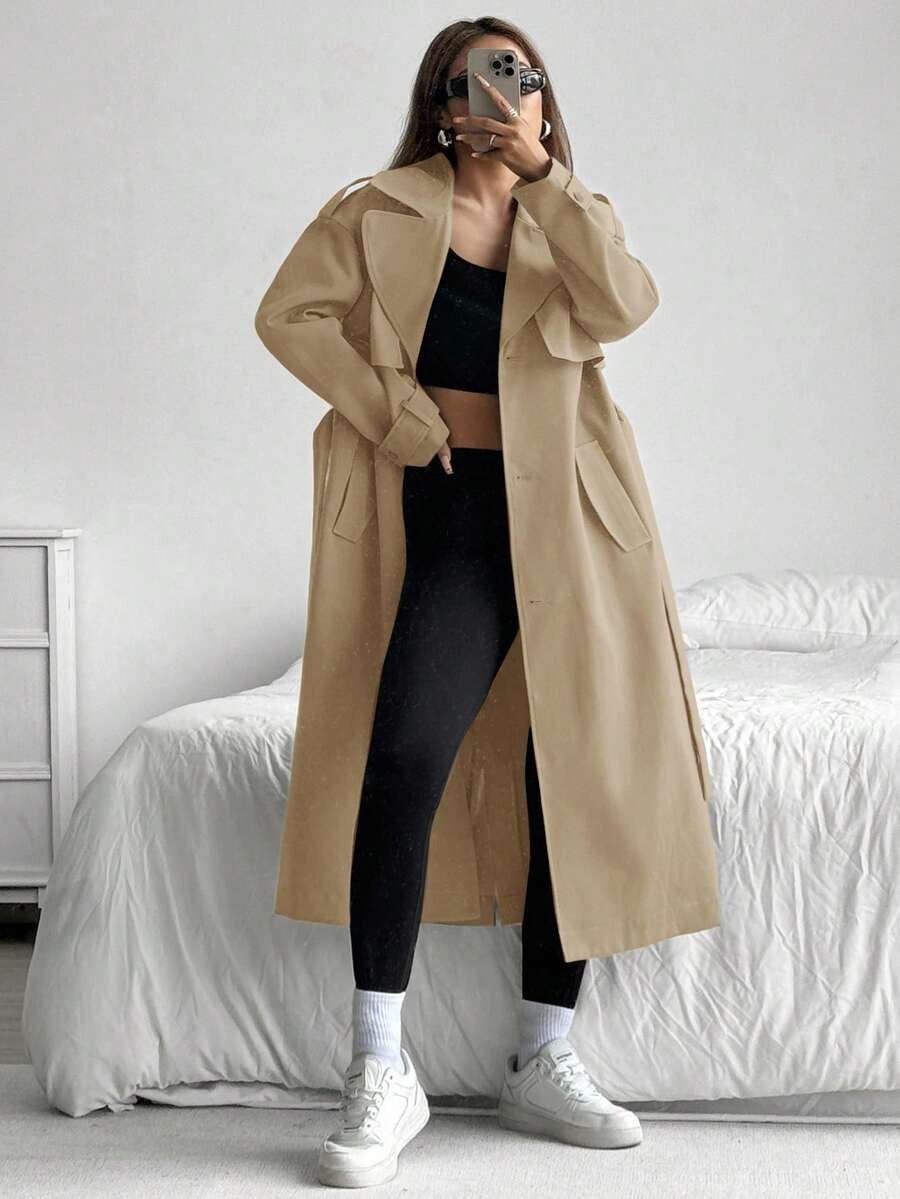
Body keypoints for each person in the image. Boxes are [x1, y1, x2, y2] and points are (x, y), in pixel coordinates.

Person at [308, 22, 641, 1188]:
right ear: (439, 103)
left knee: (571, 770)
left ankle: (544, 1053)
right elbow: (289, 314)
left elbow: (627, 304)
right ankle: (378, 1064)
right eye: (472, 80)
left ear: (544, 98)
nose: (495, 96)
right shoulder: (380, 208)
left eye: (517, 75)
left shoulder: (571, 214)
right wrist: (396, 411)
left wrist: (549, 178)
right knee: (405, 754)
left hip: (571, 518)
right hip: (453, 515)